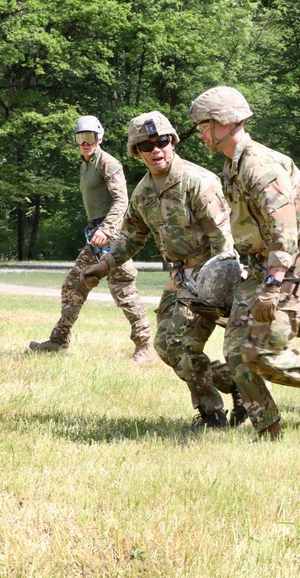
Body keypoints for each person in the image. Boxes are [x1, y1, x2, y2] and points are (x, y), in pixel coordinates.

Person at [189, 86, 300, 440]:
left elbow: (285, 226)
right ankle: (268, 431)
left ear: (225, 122)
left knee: (263, 350)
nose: (200, 133)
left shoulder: (257, 164)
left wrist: (273, 284)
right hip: (261, 265)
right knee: (237, 353)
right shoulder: (232, 163)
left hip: (296, 262)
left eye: (204, 125)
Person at [79, 111, 246, 429]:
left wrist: (221, 288)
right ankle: (233, 384)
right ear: (136, 152)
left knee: (183, 346)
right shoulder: (143, 193)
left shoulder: (199, 182)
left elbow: (224, 242)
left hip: (211, 275)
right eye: (146, 145)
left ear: (173, 142)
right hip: (180, 277)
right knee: (165, 347)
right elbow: (131, 236)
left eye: (162, 141)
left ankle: (212, 415)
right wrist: (103, 266)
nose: (156, 149)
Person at [29, 115, 152, 362]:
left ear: (100, 138)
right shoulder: (85, 165)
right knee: (73, 285)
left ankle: (145, 347)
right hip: (95, 237)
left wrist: (106, 229)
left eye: (90, 137)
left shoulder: (109, 164)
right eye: (80, 138)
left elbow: (121, 201)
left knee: (123, 290)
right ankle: (58, 342)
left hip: (113, 237)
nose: (86, 143)